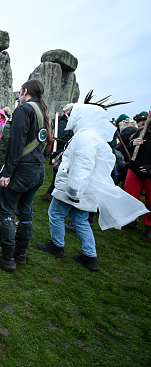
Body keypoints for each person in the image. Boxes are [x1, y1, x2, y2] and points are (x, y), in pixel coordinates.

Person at [38, 103, 148, 270]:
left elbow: (83, 165)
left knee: (56, 213)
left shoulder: (86, 137)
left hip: (75, 186)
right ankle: (89, 255)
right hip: (86, 188)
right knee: (80, 220)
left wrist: (74, 190)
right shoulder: (92, 136)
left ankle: (57, 245)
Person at [0, 79, 50, 272]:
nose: (19, 96)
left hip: (21, 169)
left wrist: (7, 172)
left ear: (25, 91)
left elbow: (15, 143)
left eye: (20, 92)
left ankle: (7, 257)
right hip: (37, 169)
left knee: (5, 211)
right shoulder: (44, 112)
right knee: (25, 212)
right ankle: (20, 254)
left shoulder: (24, 110)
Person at [123, 114, 151, 237]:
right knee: (130, 195)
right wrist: (133, 143)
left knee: (150, 201)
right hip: (135, 168)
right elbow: (129, 147)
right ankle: (132, 219)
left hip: (149, 172)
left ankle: (149, 225)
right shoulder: (141, 131)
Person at [42, 103, 74, 201]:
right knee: (58, 173)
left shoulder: (66, 122)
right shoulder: (63, 122)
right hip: (60, 150)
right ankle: (49, 193)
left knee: (59, 173)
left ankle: (50, 192)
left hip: (62, 150)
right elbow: (60, 135)